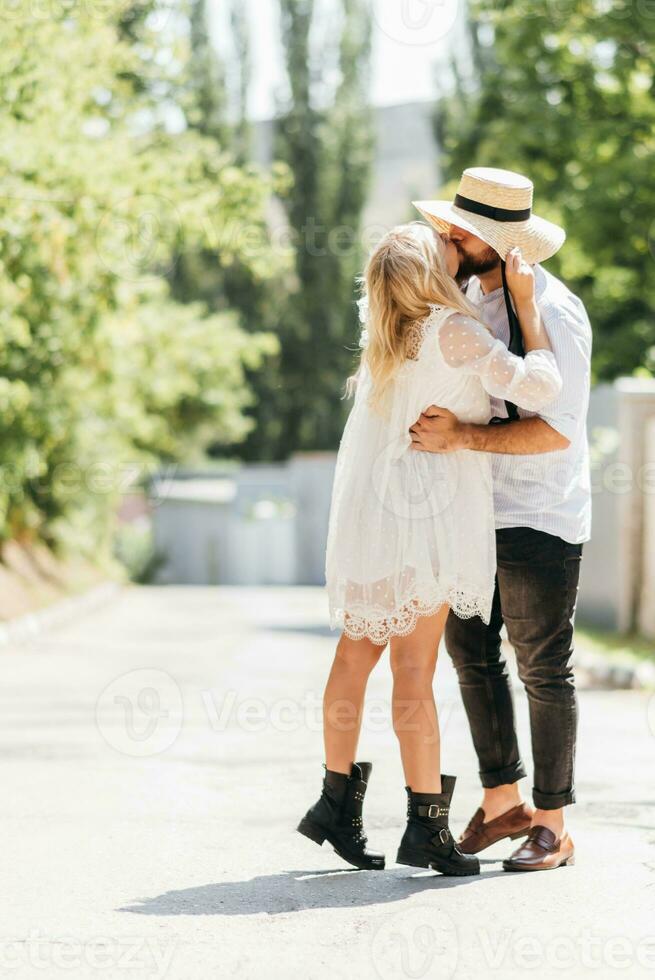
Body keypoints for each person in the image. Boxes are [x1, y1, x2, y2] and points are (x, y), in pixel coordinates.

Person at [297, 220, 563, 877]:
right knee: (413, 670)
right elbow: (541, 391)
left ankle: (335, 802)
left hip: (375, 510)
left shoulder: (388, 336)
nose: (453, 240)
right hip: (427, 514)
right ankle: (424, 824)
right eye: (440, 241)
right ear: (427, 269)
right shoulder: (455, 329)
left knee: (355, 653)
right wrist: (526, 307)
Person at [410, 167, 592, 872]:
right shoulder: (460, 299)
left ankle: (551, 823)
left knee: (542, 666)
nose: (447, 237)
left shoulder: (557, 311)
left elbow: (556, 431)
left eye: (461, 230)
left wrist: (460, 437)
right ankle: (501, 803)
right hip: (466, 511)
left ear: (496, 239)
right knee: (470, 657)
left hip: (538, 512)